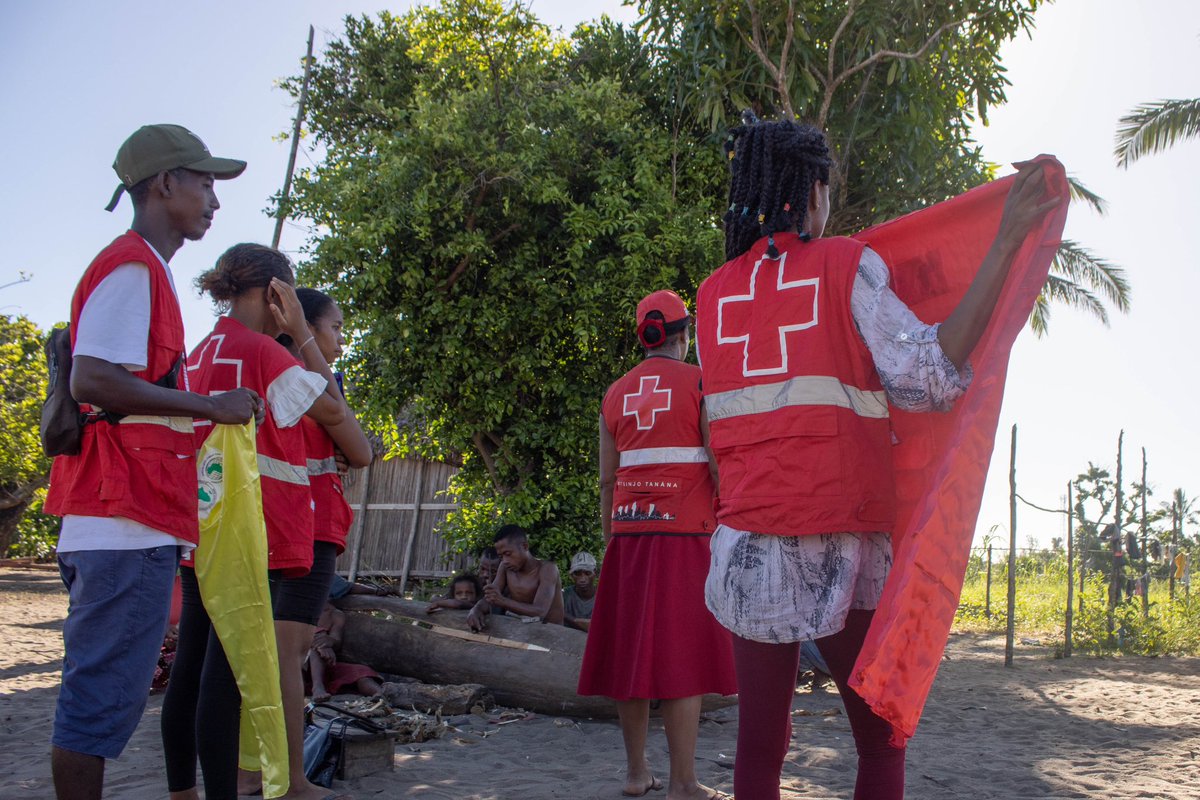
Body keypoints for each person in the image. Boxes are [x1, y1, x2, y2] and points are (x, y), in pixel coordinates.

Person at [695, 116, 1060, 800]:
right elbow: (927, 377)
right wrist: (1007, 238)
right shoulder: (844, 264)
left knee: (760, 745)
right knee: (881, 740)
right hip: (838, 536)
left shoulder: (713, 296)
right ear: (813, 191)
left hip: (746, 545)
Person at [43, 124, 256, 800]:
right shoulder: (134, 267)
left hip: (122, 518)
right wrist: (211, 408)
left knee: (103, 701)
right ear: (165, 184)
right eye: (204, 182)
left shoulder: (143, 270)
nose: (213, 200)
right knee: (96, 706)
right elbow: (93, 380)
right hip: (122, 521)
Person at [161, 244, 348, 800]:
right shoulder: (263, 352)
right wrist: (304, 336)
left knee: (191, 663)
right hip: (251, 527)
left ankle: (181, 792)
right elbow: (333, 411)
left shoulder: (197, 352)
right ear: (276, 293)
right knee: (225, 671)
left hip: (199, 521)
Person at [579, 290, 736, 800]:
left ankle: (634, 774)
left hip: (628, 538)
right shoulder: (700, 382)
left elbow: (606, 481)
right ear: (683, 336)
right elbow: (718, 464)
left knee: (632, 658)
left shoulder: (614, 393)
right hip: (686, 536)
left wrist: (611, 542)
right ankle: (683, 782)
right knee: (680, 659)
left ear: (645, 336)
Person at [466, 525, 564, 630]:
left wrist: (502, 601)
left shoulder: (547, 569)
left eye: (508, 554)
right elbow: (491, 596)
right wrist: (476, 610)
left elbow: (540, 611)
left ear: (525, 546)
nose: (505, 560)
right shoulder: (505, 567)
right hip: (522, 629)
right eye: (501, 556)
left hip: (552, 633)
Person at [307, 603, 383, 703]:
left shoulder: (335, 614)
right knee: (315, 648)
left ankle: (381, 695)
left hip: (325, 665)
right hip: (298, 666)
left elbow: (336, 641)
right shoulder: (295, 609)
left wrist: (329, 641)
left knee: (360, 672)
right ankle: (317, 687)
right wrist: (316, 641)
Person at [562, 552, 597, 632]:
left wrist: (569, 617)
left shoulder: (605, 597)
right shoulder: (565, 595)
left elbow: (597, 627)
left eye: (588, 573)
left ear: (595, 573)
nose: (582, 579)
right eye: (577, 573)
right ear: (571, 575)